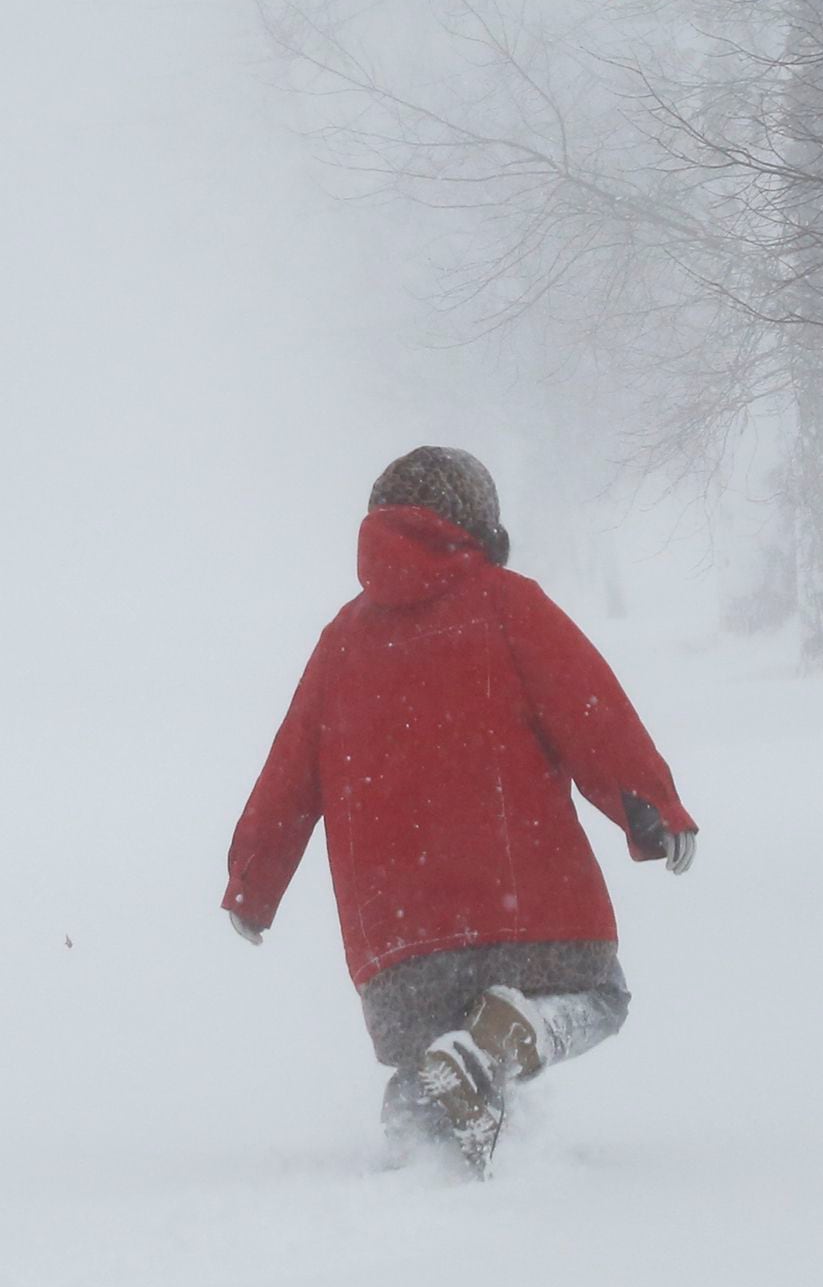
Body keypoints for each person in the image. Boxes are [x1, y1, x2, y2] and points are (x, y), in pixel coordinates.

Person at [221, 445, 697, 1174]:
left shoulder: (340, 644)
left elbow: (287, 777)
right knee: (600, 998)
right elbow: (590, 713)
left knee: (426, 1058)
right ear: (477, 522)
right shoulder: (507, 605)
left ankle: (424, 1156)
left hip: (398, 947)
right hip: (528, 915)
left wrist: (254, 885)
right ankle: (518, 1033)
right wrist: (652, 808)